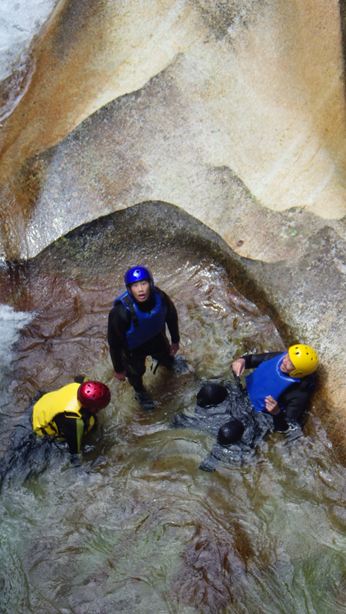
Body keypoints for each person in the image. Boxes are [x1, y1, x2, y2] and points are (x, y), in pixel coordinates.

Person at [0, 378, 111, 489]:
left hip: (39, 405)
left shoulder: (80, 385)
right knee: (13, 468)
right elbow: (74, 452)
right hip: (36, 431)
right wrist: (81, 474)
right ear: (92, 408)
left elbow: (79, 377)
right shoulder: (74, 420)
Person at [108, 265, 186, 409]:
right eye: (135, 285)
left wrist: (175, 340)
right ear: (129, 288)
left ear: (150, 283)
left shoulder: (160, 297)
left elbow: (171, 316)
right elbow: (114, 344)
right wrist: (118, 369)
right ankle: (140, 393)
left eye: (144, 284)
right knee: (136, 374)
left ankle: (166, 362)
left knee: (167, 357)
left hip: (157, 338)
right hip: (133, 349)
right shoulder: (120, 313)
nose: (140, 289)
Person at [231, 343, 319, 434]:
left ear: (298, 373)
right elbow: (251, 360)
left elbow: (286, 428)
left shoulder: (299, 393)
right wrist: (242, 361)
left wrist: (277, 413)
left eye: (291, 364)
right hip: (241, 396)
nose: (285, 361)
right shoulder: (279, 359)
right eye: (288, 356)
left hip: (256, 417)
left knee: (228, 432)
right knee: (215, 392)